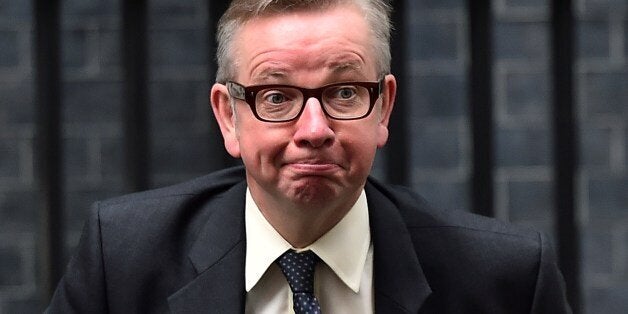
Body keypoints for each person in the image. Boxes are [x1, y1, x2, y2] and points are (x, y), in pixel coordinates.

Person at [47, 0, 572, 313]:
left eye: (345, 92)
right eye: (277, 97)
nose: (315, 130)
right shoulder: (122, 259)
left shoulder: (505, 279)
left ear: (383, 107)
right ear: (229, 116)